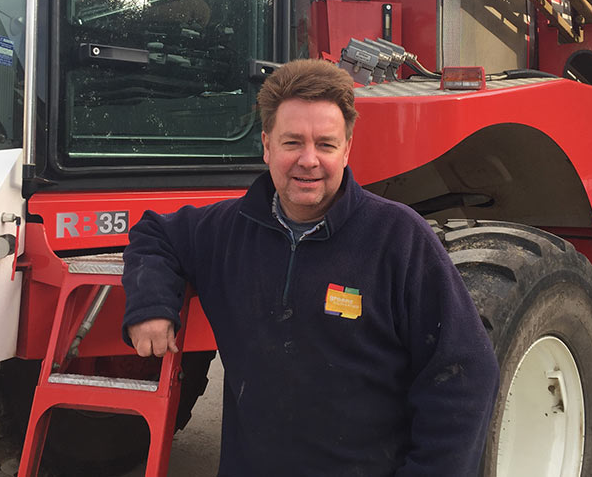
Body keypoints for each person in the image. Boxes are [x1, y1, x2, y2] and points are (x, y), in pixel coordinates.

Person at [122, 58, 499, 476]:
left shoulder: (399, 238)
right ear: (266, 145)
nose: (308, 160)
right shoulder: (226, 231)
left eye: (325, 144)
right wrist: (152, 306)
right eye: (291, 143)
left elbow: (465, 375)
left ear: (347, 149)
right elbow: (154, 233)